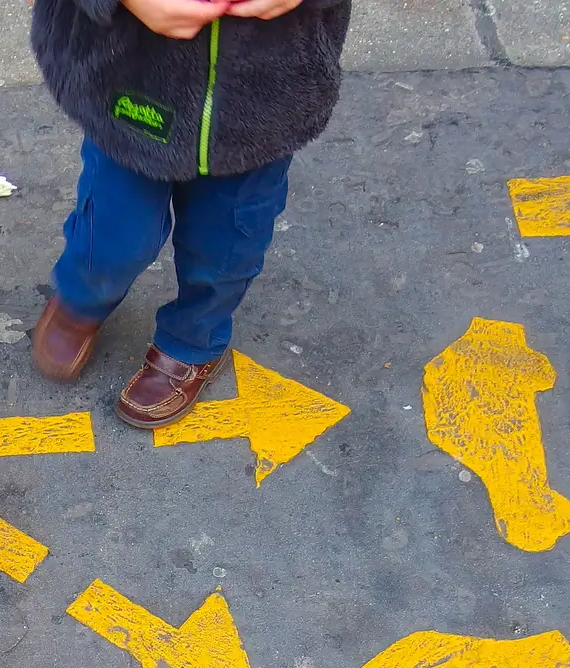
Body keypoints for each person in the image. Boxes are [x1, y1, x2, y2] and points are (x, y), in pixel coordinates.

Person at [29, 0, 351, 428]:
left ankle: (194, 338)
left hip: (268, 86)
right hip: (130, 67)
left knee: (229, 238)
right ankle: (83, 295)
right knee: (113, 229)